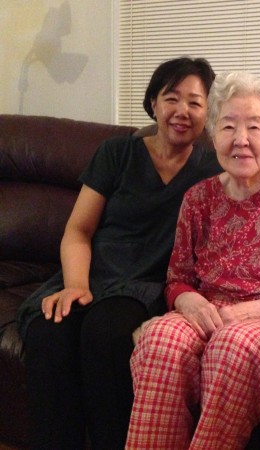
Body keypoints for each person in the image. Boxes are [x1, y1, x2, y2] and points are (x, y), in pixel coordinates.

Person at [16, 57, 222, 450]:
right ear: (154, 103)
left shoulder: (213, 171)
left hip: (146, 284)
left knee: (106, 335)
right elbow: (78, 230)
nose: (182, 110)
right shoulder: (116, 153)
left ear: (207, 113)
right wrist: (76, 286)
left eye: (195, 102)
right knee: (48, 332)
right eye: (172, 98)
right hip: (91, 273)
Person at [125, 71, 260, 450]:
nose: (241, 139)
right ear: (213, 134)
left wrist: (251, 311)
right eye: (228, 126)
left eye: (254, 126)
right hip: (208, 311)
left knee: (231, 346)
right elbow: (177, 278)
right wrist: (189, 301)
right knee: (159, 340)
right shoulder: (197, 198)